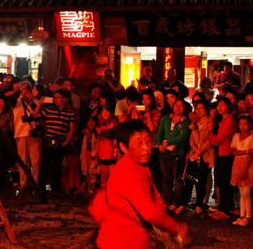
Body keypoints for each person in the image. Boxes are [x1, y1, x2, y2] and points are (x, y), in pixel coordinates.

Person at [92, 120, 188, 249]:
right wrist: (175, 227)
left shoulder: (142, 166)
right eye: (139, 143)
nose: (146, 148)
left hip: (134, 240)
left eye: (148, 141)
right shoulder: (127, 172)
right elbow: (150, 213)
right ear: (123, 147)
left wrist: (163, 219)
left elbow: (154, 196)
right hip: (119, 242)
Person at [156, 98, 191, 213]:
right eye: (176, 105)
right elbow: (159, 133)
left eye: (181, 106)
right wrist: (159, 144)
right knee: (166, 178)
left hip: (178, 154)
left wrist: (168, 142)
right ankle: (167, 201)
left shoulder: (185, 121)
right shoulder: (165, 118)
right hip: (164, 153)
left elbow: (182, 137)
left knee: (178, 179)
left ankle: (177, 202)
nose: (178, 107)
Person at [230, 115, 253, 226]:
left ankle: (247, 216)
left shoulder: (252, 137)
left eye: (245, 124)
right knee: (241, 192)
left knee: (246, 192)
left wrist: (247, 153)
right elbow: (234, 150)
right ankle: (242, 215)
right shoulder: (236, 136)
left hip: (248, 165)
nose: (242, 126)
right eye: (240, 124)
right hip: (238, 163)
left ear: (250, 125)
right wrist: (246, 151)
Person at [208, 98, 237, 220]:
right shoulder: (220, 120)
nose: (220, 108)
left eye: (223, 105)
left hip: (226, 153)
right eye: (218, 105)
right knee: (221, 180)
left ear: (228, 106)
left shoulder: (229, 120)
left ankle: (226, 209)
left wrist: (210, 135)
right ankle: (223, 206)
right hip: (219, 153)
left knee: (225, 182)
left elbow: (218, 139)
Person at [185, 101, 215, 214]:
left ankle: (201, 202)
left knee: (203, 179)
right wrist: (194, 148)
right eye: (197, 108)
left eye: (201, 108)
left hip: (206, 154)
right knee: (194, 177)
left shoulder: (209, 122)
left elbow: (209, 139)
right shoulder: (195, 122)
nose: (198, 110)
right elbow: (191, 138)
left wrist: (200, 150)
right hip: (195, 153)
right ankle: (194, 201)